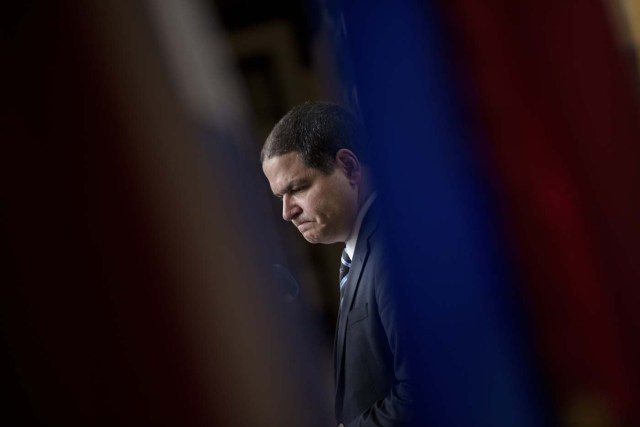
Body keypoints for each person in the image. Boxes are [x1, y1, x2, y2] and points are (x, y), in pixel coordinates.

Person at [261, 102, 415, 426]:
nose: (287, 212)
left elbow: (422, 392)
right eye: (280, 197)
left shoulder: (395, 256)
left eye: (298, 188)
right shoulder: (356, 253)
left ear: (349, 167)